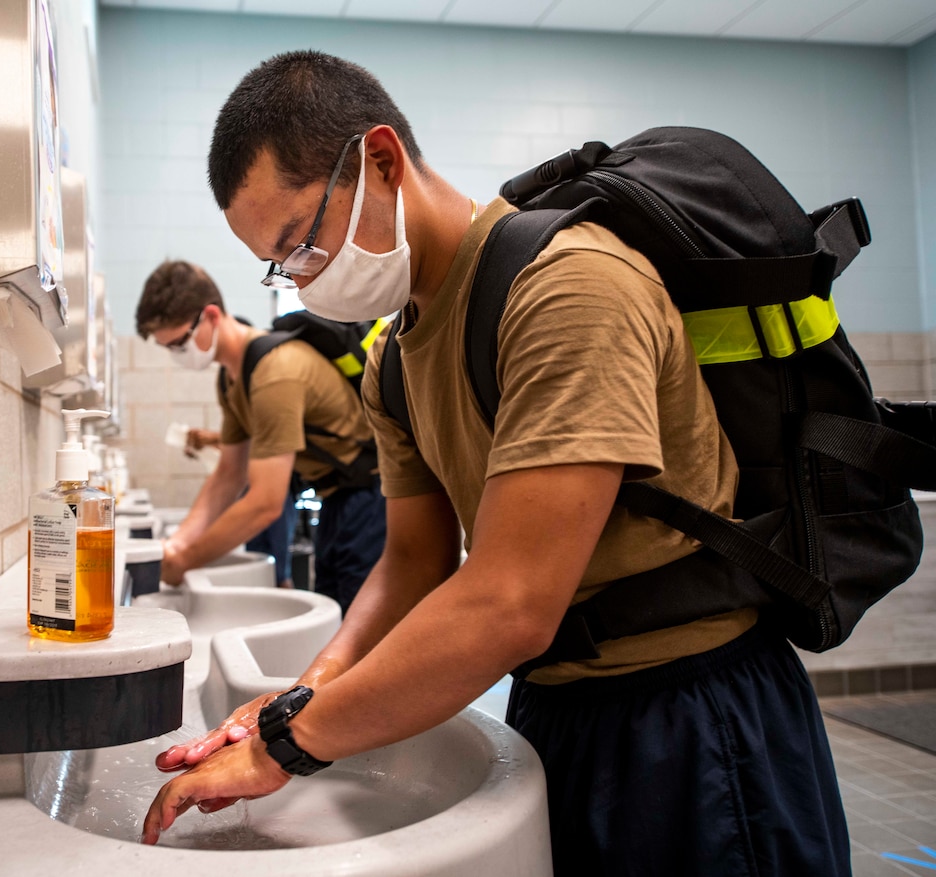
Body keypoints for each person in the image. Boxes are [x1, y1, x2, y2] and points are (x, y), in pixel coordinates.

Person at [140, 51, 851, 877]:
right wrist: (309, 691)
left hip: (691, 718)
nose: (301, 284)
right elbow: (411, 564)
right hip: (556, 707)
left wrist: (290, 744)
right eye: (281, 265)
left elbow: (512, 601)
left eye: (302, 244)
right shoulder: (393, 362)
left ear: (379, 160)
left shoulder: (567, 285)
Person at [135, 259, 386, 614]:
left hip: (375, 497)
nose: (178, 356)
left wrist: (187, 559)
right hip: (338, 497)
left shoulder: (274, 372)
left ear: (210, 316)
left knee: (357, 623)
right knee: (336, 614)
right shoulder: (232, 378)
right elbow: (229, 475)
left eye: (179, 344)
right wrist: (175, 546)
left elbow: (265, 502)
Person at [185, 427, 297, 589]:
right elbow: (241, 451)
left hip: (274, 485)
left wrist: (215, 439)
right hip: (252, 486)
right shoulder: (241, 411)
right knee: (259, 563)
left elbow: (264, 439)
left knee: (279, 570)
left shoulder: (264, 407)